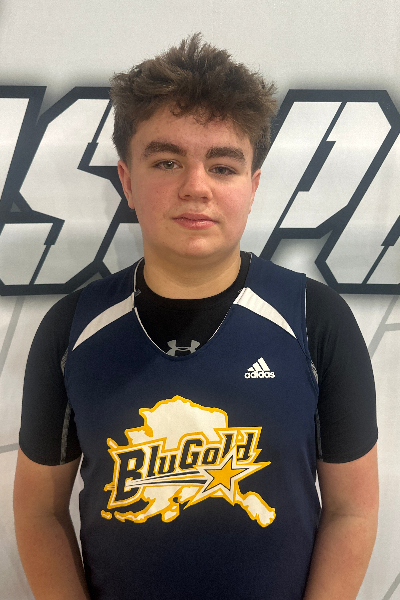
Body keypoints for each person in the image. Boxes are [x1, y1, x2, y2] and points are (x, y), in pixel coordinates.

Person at [14, 34, 378, 600]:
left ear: (252, 186)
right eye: (167, 161)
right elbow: (38, 511)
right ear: (127, 180)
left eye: (223, 166)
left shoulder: (315, 318)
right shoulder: (72, 328)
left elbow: (353, 509)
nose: (195, 187)